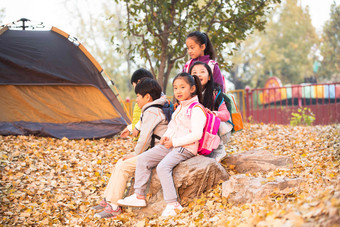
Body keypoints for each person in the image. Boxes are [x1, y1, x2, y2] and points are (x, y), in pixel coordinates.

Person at [117, 73, 207, 217]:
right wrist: (167, 137)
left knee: (163, 167)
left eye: (182, 87)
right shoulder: (179, 107)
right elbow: (172, 127)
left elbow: (197, 135)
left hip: (186, 148)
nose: (178, 91)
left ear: (192, 88)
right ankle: (139, 196)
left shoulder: (196, 109)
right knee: (143, 158)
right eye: (175, 88)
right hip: (172, 145)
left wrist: (174, 142)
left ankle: (173, 204)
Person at [92, 78, 168, 218]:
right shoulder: (153, 109)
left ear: (147, 97)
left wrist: (135, 154)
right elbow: (141, 126)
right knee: (121, 162)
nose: (136, 100)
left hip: (157, 152)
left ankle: (114, 206)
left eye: (138, 96)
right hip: (152, 151)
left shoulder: (152, 112)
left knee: (124, 165)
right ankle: (108, 199)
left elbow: (144, 139)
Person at [189, 61, 233, 162]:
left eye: (202, 72)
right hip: (201, 130)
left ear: (209, 77)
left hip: (221, 131)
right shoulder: (189, 95)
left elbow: (226, 115)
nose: (198, 75)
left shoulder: (215, 92)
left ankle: (219, 151)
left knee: (212, 121)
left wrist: (213, 113)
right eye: (194, 72)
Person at [120, 68, 154, 139]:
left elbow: (145, 117)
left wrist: (138, 127)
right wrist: (129, 128)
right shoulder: (141, 99)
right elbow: (139, 119)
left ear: (139, 82)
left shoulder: (148, 100)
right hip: (139, 138)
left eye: (134, 85)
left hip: (146, 140)